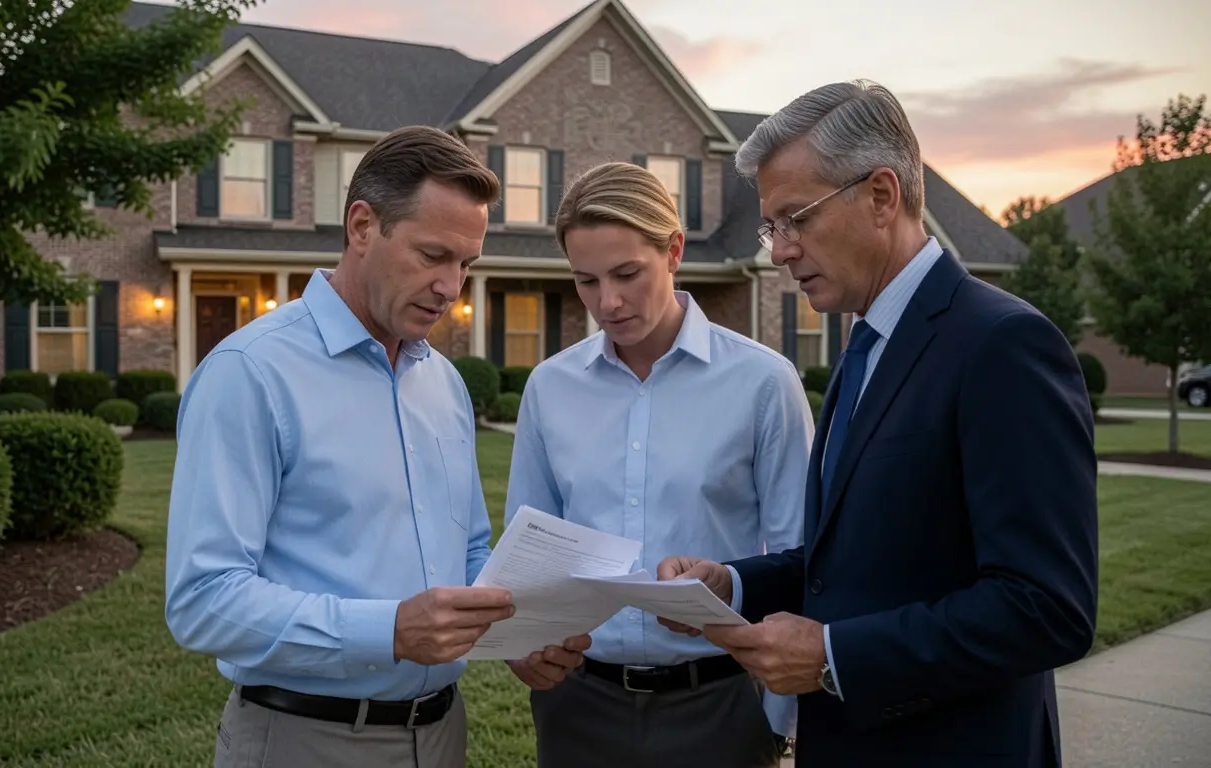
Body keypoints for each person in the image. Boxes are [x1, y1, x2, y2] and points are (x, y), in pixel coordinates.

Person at [658, 80, 1099, 768]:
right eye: (772, 226)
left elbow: (1046, 608)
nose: (779, 250)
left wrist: (834, 656)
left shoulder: (1001, 346)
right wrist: (735, 585)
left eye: (795, 219)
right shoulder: (864, 345)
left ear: (882, 196)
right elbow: (854, 562)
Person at [163, 125, 588, 768]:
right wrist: (388, 631)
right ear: (362, 227)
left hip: (442, 736)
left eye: (466, 264)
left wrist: (513, 637)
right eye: (432, 255)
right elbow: (203, 601)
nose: (452, 286)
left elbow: (470, 548)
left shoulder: (442, 382)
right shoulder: (251, 372)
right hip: (304, 739)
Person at [502, 161, 813, 767]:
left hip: (720, 706)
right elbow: (530, 552)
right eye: (585, 281)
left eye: (626, 274)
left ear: (672, 251)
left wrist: (775, 718)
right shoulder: (550, 387)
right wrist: (525, 644)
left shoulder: (762, 382)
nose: (607, 302)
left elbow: (800, 551)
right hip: (578, 708)